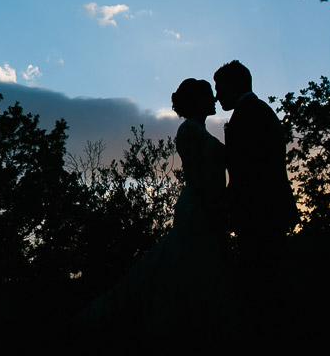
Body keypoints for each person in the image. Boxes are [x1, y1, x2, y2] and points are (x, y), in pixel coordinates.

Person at [73, 78, 237, 344]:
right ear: (197, 101)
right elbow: (199, 177)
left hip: (205, 207)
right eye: (209, 95)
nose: (214, 100)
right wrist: (218, 206)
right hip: (199, 209)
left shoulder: (200, 131)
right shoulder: (189, 131)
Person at [213, 61, 298, 338]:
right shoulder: (255, 111)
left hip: (260, 214)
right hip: (264, 212)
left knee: (264, 286)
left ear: (234, 85)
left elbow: (249, 170)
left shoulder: (250, 115)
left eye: (219, 88)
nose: (217, 96)